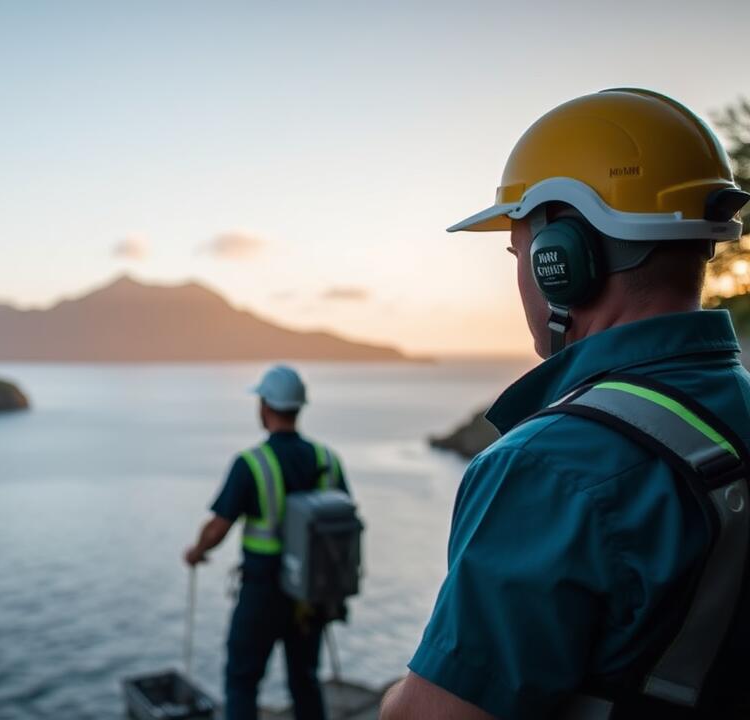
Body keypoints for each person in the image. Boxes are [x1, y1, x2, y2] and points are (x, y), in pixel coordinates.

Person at [380, 89, 750, 720]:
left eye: (519, 252)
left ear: (563, 260)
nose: (520, 273)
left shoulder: (552, 467)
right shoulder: (734, 403)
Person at [184, 364, 350, 720]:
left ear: (265, 406)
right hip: (311, 592)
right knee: (305, 679)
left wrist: (196, 553)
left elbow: (217, 529)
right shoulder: (328, 460)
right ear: (298, 407)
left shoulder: (251, 464)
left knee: (242, 680)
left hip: (263, 592)